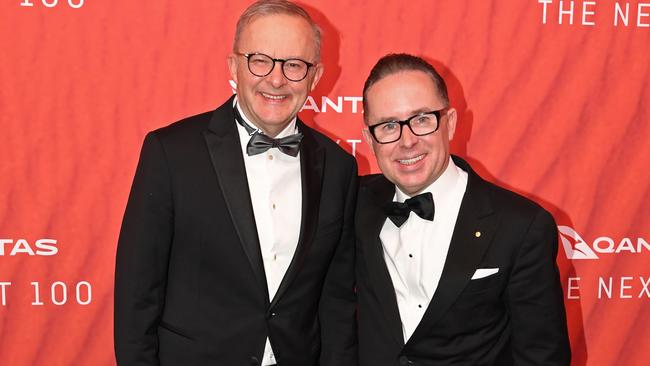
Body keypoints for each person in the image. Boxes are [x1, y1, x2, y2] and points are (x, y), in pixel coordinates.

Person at [114, 1, 357, 365]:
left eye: (294, 65)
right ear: (234, 66)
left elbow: (336, 302)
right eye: (260, 60)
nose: (276, 79)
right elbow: (137, 294)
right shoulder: (172, 152)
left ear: (315, 76)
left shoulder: (339, 168)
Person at [356, 53, 571, 366]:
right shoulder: (353, 203)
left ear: (450, 123)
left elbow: (542, 357)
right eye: (389, 126)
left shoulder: (521, 226)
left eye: (421, 120)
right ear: (369, 139)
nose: (407, 141)